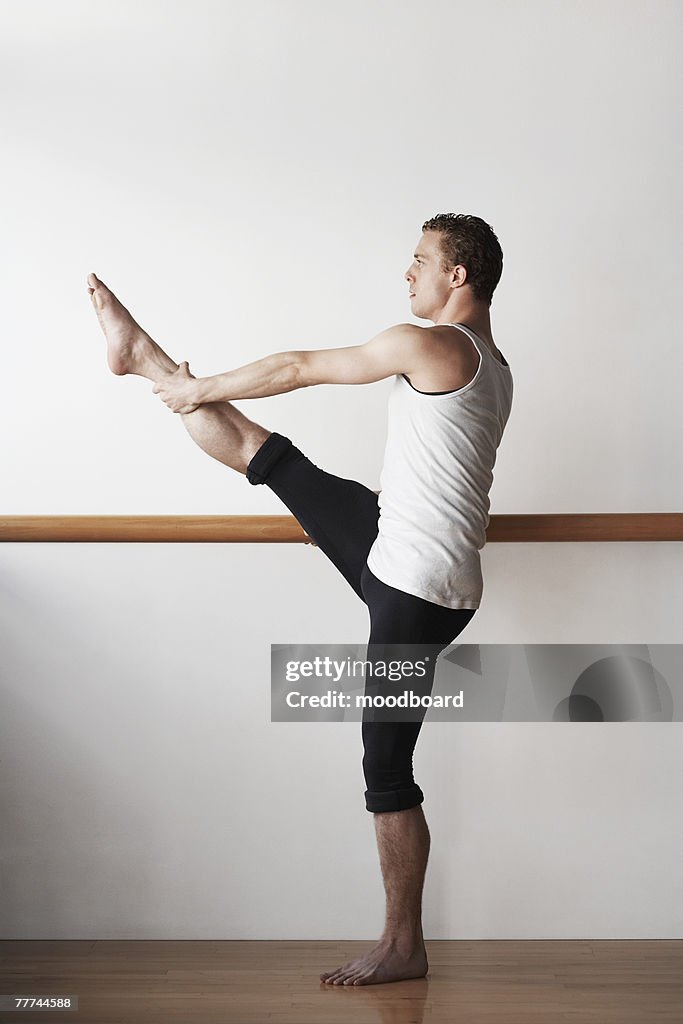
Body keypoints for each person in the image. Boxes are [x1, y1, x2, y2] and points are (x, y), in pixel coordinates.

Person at [87, 212, 513, 987]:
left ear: (458, 276)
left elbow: (298, 367)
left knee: (385, 769)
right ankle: (141, 357)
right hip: (398, 548)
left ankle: (403, 946)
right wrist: (185, 388)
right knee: (267, 457)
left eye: (420, 259)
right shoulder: (491, 359)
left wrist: (201, 387)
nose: (407, 271)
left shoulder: (436, 343)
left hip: (416, 586)